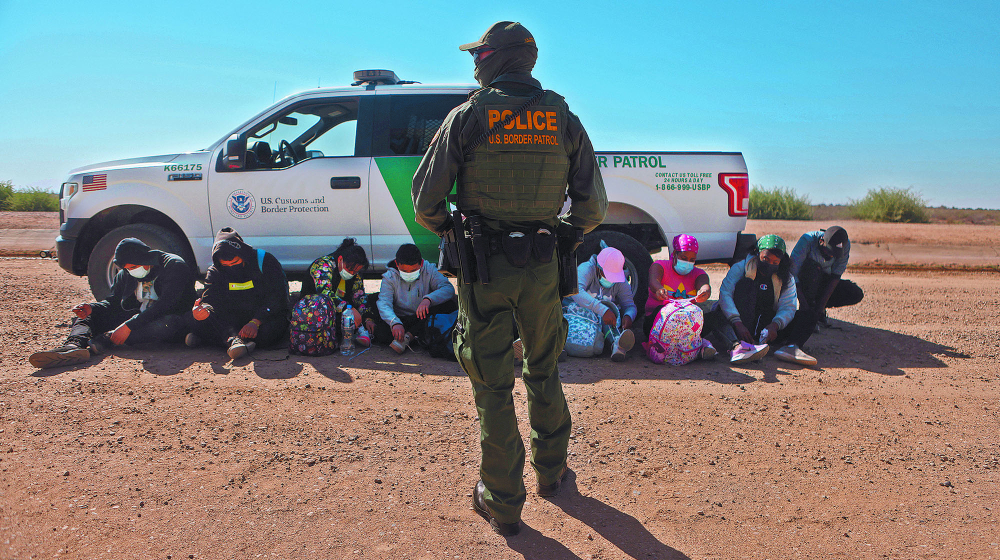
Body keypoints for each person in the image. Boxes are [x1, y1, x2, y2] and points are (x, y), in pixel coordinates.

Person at [412, 21, 607, 536]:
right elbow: (594, 206)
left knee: (492, 383)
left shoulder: (469, 116)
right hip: (543, 267)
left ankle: (502, 501)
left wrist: (452, 231)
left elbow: (425, 200)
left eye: (479, 54)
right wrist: (563, 235)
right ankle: (552, 474)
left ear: (495, 59)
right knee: (543, 369)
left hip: (485, 267)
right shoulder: (562, 117)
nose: (474, 62)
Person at [29, 238, 195, 368]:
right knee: (88, 315)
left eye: (134, 266)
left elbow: (165, 306)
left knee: (168, 324)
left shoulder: (173, 266)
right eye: (127, 268)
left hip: (169, 318)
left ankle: (105, 340)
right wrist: (92, 308)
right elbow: (113, 304)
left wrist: (129, 326)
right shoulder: (126, 274)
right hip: (136, 317)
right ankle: (74, 346)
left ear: (146, 258)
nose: (131, 271)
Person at [708, 234, 818, 366]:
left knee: (809, 315)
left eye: (775, 262)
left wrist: (775, 325)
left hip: (766, 326)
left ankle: (790, 348)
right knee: (740, 291)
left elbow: (788, 307)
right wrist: (737, 323)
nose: (769, 264)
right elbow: (725, 294)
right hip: (742, 323)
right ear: (757, 253)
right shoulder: (741, 268)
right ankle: (739, 346)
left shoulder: (786, 277)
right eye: (765, 259)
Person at [185, 228, 290, 359]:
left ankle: (215, 340)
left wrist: (255, 322)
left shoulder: (264, 261)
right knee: (194, 319)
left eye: (235, 262)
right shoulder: (215, 271)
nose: (231, 267)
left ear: (243, 255)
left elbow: (278, 298)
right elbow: (211, 301)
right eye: (226, 265)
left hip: (262, 316)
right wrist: (202, 312)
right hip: (232, 320)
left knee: (269, 334)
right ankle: (235, 341)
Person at [374, 243, 457, 353]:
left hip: (423, 315)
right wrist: (394, 322)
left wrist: (428, 299)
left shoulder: (429, 269)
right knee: (380, 332)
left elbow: (448, 289)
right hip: (401, 318)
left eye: (413, 271)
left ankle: (409, 336)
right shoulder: (389, 277)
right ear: (397, 264)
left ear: (421, 263)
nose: (409, 274)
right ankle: (416, 335)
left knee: (448, 305)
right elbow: (384, 303)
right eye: (404, 271)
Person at [561, 246, 637, 361]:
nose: (611, 280)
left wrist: (629, 316)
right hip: (576, 314)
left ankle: (617, 345)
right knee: (558, 313)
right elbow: (576, 292)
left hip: (599, 322)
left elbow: (630, 306)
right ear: (598, 268)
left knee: (611, 313)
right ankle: (556, 346)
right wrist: (603, 310)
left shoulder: (621, 281)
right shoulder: (586, 269)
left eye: (614, 276)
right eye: (608, 275)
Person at [301, 238, 376, 347]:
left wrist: (367, 318)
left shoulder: (355, 274)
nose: (352, 273)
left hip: (341, 313)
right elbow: (325, 295)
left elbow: (359, 297)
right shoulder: (323, 265)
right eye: (349, 270)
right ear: (340, 259)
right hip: (315, 312)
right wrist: (348, 309)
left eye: (355, 271)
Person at [789, 226, 864, 326]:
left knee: (855, 293)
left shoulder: (844, 245)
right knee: (812, 269)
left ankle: (816, 309)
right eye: (828, 252)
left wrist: (820, 307)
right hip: (804, 281)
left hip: (823, 280)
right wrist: (804, 304)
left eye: (834, 254)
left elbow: (835, 276)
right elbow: (792, 274)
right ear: (821, 241)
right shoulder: (807, 241)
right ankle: (808, 309)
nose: (831, 256)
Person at [644, 234, 711, 340]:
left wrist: (704, 292)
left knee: (715, 317)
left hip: (687, 323)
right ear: (675, 253)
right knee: (661, 310)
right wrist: (659, 290)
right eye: (684, 258)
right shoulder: (660, 266)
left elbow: (704, 285)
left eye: (692, 260)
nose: (687, 262)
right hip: (659, 323)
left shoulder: (698, 273)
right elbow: (654, 282)